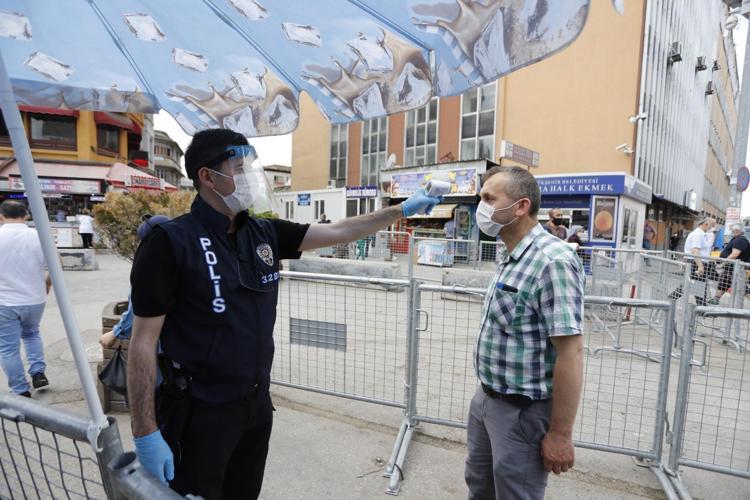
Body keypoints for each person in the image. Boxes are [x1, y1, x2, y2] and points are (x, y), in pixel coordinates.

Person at [127, 129, 442, 499]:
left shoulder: (264, 233)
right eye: (239, 168)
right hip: (199, 413)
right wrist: (145, 431)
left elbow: (340, 230)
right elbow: (142, 343)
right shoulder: (170, 243)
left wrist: (402, 210)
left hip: (255, 408)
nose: (250, 177)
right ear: (207, 177)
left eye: (250, 167)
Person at [466, 166, 584, 500]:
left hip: (522, 413)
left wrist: (560, 434)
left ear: (521, 206)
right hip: (487, 400)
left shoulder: (553, 261)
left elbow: (570, 352)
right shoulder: (510, 254)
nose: (482, 207)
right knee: (480, 488)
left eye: (489, 198)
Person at [0, 201, 51, 397]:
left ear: (1, 216)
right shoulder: (39, 236)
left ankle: (21, 389)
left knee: (8, 348)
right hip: (35, 298)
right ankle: (38, 372)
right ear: (26, 215)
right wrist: (47, 284)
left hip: (4, 302)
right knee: (31, 334)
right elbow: (55, 264)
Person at [99, 215, 171, 349]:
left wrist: (115, 333)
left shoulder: (150, 270)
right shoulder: (188, 258)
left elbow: (138, 310)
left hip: (163, 346)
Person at [669, 218, 715, 306]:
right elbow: (695, 251)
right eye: (712, 226)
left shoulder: (701, 234)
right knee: (693, 286)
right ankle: (670, 300)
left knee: (697, 287)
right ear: (705, 224)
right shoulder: (698, 234)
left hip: (696, 262)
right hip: (696, 263)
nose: (713, 228)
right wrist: (700, 266)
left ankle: (702, 307)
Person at [707, 223, 750, 305]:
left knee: (743, 288)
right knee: (723, 283)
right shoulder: (736, 239)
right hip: (731, 268)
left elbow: (734, 254)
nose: (731, 232)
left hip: (736, 269)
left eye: (732, 230)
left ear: (736, 231)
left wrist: (722, 264)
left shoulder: (740, 240)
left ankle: (716, 299)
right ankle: (715, 299)